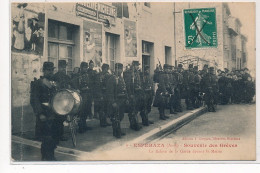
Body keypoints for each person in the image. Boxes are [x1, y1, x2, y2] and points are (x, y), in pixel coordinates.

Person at [30, 62, 60, 161]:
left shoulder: (54, 83)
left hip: (54, 113)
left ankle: (49, 155)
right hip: (44, 114)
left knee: (55, 136)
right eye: (48, 70)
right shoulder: (38, 83)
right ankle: (47, 157)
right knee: (47, 137)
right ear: (44, 70)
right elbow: (34, 100)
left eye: (52, 70)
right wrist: (40, 113)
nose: (51, 72)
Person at [106, 63, 128, 138]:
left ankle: (118, 130)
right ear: (115, 69)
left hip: (122, 100)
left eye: (121, 69)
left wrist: (126, 98)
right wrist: (113, 102)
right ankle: (116, 132)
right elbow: (110, 92)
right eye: (118, 69)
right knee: (115, 117)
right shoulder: (112, 79)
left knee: (120, 116)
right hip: (116, 100)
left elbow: (125, 89)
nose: (120, 71)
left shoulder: (121, 78)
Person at [52, 60, 71, 141]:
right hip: (57, 99)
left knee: (62, 117)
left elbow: (70, 85)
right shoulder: (55, 76)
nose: (64, 69)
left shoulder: (66, 77)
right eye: (62, 67)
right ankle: (58, 135)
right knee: (58, 118)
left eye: (65, 67)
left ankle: (60, 134)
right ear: (59, 67)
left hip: (64, 98)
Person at [123, 61, 143, 130]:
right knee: (132, 110)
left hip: (137, 93)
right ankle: (133, 124)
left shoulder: (137, 72)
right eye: (137, 65)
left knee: (136, 109)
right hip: (132, 94)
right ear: (133, 65)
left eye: (138, 65)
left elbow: (139, 82)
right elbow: (127, 85)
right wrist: (130, 94)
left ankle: (135, 123)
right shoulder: (129, 73)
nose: (138, 67)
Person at [77, 62, 92, 133]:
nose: (86, 69)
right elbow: (76, 85)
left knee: (86, 110)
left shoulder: (87, 75)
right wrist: (80, 89)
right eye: (84, 67)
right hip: (82, 94)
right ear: (81, 67)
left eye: (86, 67)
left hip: (88, 94)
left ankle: (84, 125)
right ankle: (81, 127)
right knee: (81, 111)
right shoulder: (78, 75)